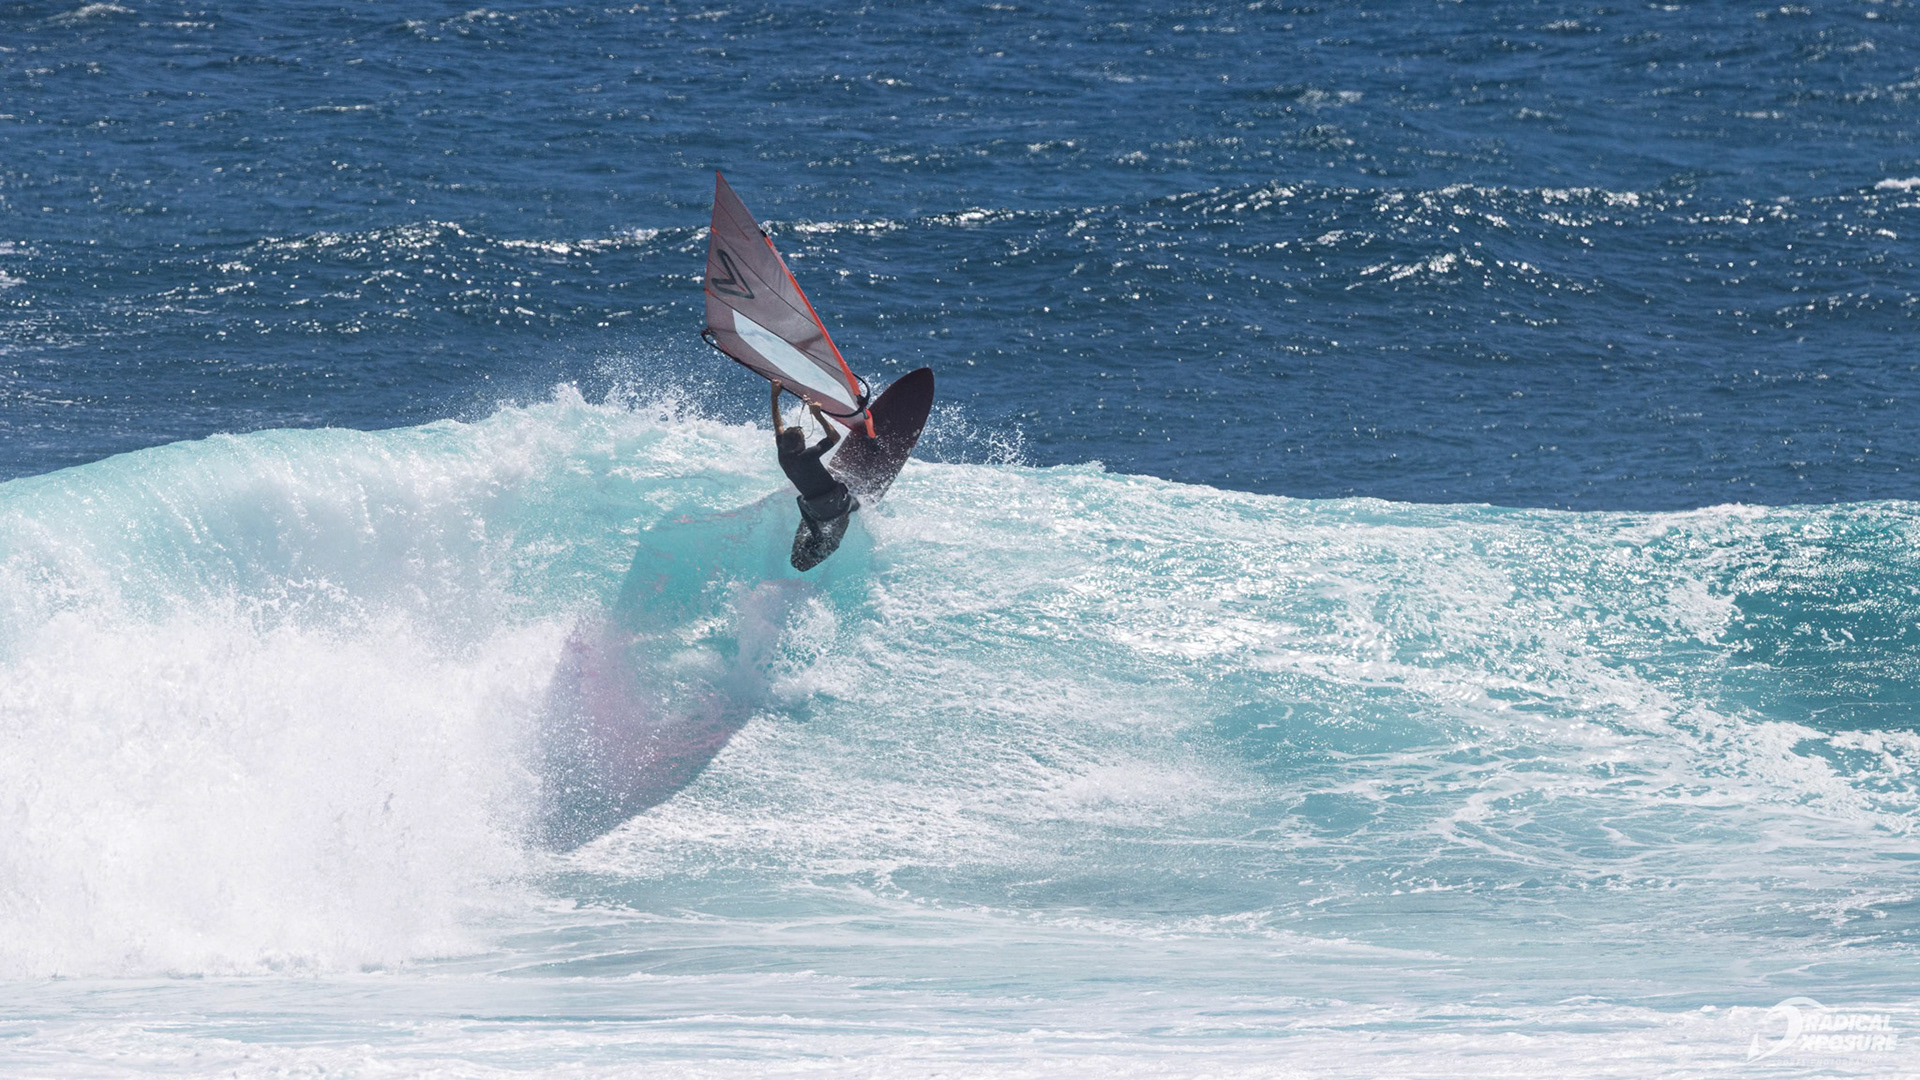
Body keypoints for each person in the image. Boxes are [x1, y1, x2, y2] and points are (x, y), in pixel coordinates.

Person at [772, 381, 858, 568]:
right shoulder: (808, 455)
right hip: (836, 504)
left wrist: (774, 396)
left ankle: (816, 533)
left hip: (816, 510)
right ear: (801, 445)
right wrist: (818, 415)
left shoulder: (783, 456)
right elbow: (834, 437)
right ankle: (853, 506)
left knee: (800, 499)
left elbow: (777, 426)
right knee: (851, 499)